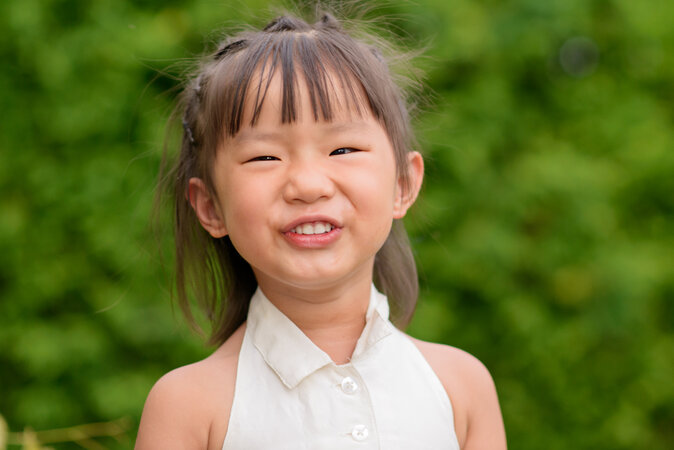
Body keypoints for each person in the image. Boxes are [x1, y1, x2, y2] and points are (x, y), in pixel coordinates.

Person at [136, 9, 506, 450]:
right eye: (265, 157)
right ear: (210, 206)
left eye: (343, 149)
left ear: (403, 184)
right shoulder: (190, 407)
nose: (308, 185)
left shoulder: (461, 388)